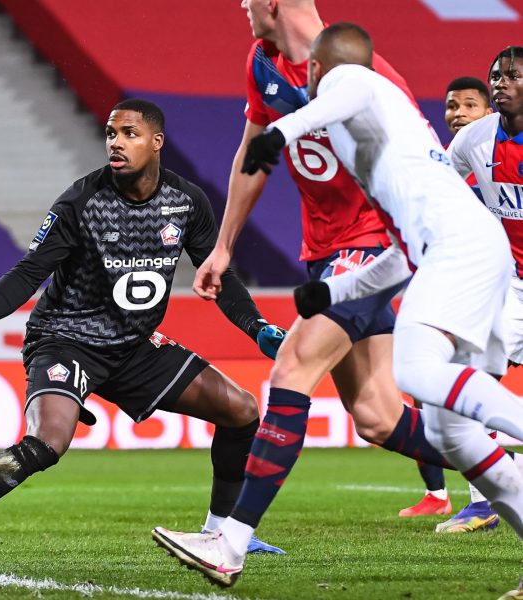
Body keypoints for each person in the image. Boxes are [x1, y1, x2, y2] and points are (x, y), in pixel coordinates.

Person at [153, 24, 523, 591]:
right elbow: (400, 253)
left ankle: (227, 542)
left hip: (459, 250)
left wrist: (281, 133)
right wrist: (332, 294)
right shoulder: (372, 148)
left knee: (340, 368)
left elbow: (348, 89)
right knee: (409, 421)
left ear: (318, 74)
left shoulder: (350, 84)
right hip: (449, 248)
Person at [0, 99, 290, 564]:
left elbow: (218, 276)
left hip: (134, 345)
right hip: (67, 339)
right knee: (48, 442)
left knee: (243, 410)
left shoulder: (186, 202)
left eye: (129, 133)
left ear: (156, 142)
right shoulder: (82, 201)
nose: (116, 143)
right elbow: (30, 272)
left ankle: (219, 534)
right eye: (111, 133)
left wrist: (256, 326)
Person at [192, 0, 455, 540]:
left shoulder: (372, 76)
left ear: (272, 3)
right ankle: (506, 469)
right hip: (323, 252)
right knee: (378, 415)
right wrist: (223, 247)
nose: (241, 6)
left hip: (371, 245)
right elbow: (253, 155)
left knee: (291, 368)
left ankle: (230, 538)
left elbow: (429, 165)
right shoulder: (262, 62)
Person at [400, 76, 500, 530]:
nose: (458, 114)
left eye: (469, 106)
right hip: (489, 291)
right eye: (451, 106)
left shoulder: (498, 161)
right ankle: (482, 498)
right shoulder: (453, 173)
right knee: (464, 387)